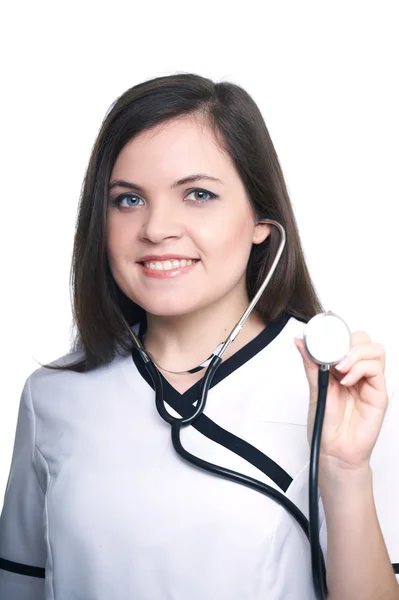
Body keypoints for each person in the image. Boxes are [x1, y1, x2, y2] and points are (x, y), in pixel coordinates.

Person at [0, 73, 397, 600]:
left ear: (262, 219)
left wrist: (344, 469)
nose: (157, 228)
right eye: (128, 200)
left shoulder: (342, 391)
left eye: (199, 194)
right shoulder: (51, 395)